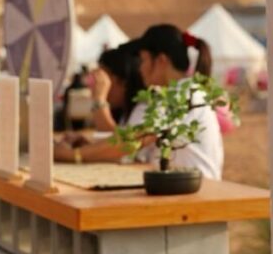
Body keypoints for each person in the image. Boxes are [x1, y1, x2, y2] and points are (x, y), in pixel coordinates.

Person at [54, 24, 224, 180]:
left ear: (161, 61)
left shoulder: (183, 94)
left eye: (143, 60)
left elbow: (131, 141)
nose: (140, 68)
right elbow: (130, 140)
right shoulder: (179, 92)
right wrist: (90, 145)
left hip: (199, 192)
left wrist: (72, 155)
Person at [90, 47, 143, 132]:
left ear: (123, 82)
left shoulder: (143, 108)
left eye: (103, 82)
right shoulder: (125, 113)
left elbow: (115, 138)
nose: (101, 88)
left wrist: (99, 99)